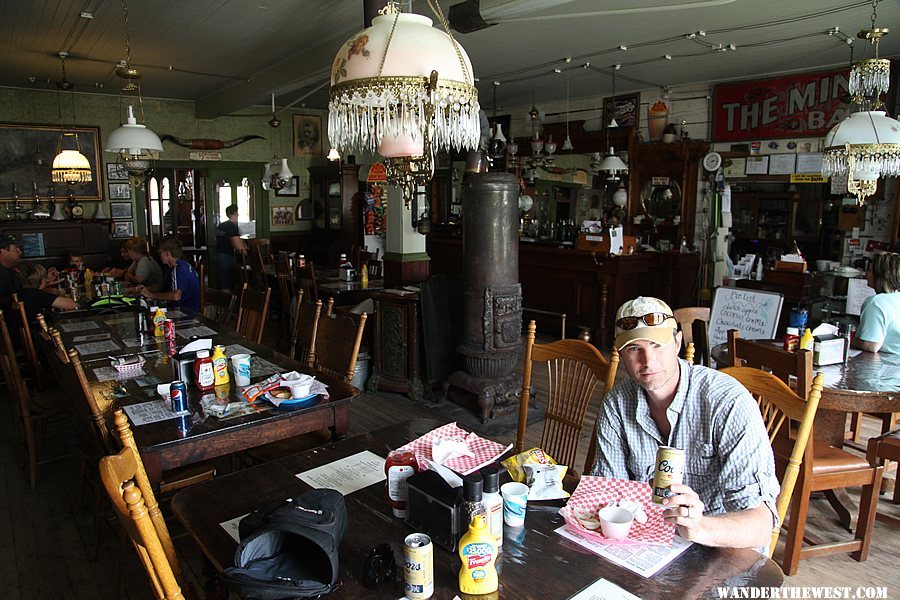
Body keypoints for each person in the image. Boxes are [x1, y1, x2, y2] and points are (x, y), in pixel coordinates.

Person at [592, 296, 779, 551]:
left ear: (678, 343)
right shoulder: (617, 404)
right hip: (646, 543)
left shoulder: (726, 401)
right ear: (620, 353)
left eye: (657, 344)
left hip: (719, 548)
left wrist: (700, 527)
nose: (648, 360)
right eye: (634, 348)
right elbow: (609, 495)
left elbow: (760, 526)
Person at [136, 235, 200, 313]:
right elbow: (162, 285)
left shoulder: (179, 268)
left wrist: (151, 295)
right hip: (180, 309)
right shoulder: (175, 267)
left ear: (167, 254)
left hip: (185, 312)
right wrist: (146, 289)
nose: (159, 255)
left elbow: (176, 296)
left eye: (160, 252)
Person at [854, 251, 900, 354]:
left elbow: (871, 345)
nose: (866, 273)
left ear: (880, 276)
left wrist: (849, 339)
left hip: (890, 366)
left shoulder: (875, 302)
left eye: (869, 270)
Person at [214, 204, 246, 291]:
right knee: (226, 283)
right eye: (237, 213)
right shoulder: (232, 226)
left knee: (224, 281)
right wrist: (246, 253)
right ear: (233, 214)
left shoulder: (222, 225)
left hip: (219, 254)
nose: (238, 215)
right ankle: (228, 303)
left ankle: (224, 303)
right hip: (226, 256)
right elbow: (237, 244)